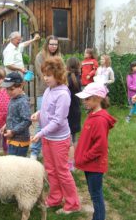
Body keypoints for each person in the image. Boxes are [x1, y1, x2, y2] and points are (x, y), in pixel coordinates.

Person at [31, 56, 81, 214]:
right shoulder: (48, 90)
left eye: (49, 75)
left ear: (58, 75)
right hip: (48, 138)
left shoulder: (63, 95)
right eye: (44, 74)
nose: (45, 78)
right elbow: (47, 110)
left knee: (62, 172)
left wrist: (40, 133)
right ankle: (55, 198)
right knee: (51, 170)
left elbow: (58, 121)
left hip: (59, 140)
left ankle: (73, 204)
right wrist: (38, 114)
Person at [75, 82, 116, 220]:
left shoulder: (99, 120)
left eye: (87, 98)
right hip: (90, 164)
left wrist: (84, 157)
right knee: (94, 194)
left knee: (96, 196)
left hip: (94, 165)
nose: (84, 101)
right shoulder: (92, 114)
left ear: (98, 98)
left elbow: (100, 147)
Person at [30, 35, 61, 160]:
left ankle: (51, 151)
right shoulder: (40, 57)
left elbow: (62, 73)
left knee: (54, 121)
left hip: (57, 91)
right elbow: (42, 74)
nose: (53, 46)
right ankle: (34, 152)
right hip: (43, 92)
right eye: (51, 44)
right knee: (42, 121)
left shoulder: (59, 57)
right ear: (47, 44)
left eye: (55, 44)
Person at [0, 72, 32, 157]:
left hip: (19, 142)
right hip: (13, 139)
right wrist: (6, 125)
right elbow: (13, 117)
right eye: (7, 89)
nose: (9, 92)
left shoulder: (22, 102)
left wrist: (13, 131)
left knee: (17, 167)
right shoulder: (13, 99)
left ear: (21, 86)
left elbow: (27, 121)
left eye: (12, 89)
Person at [66, 57, 82, 171]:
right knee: (74, 137)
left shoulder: (66, 78)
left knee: (67, 138)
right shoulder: (78, 78)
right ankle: (72, 162)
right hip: (76, 110)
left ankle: (67, 160)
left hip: (67, 111)